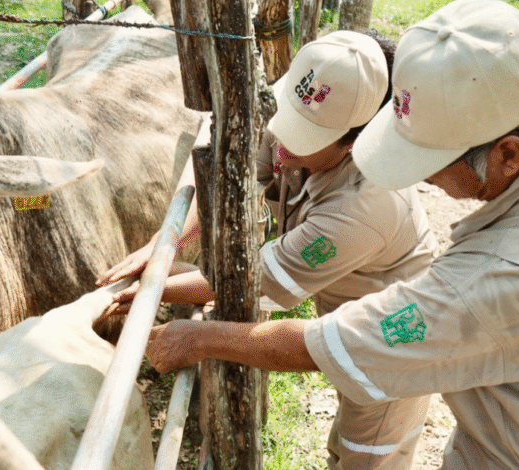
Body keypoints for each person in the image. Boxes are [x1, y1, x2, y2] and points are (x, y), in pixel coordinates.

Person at [139, 0, 519, 468]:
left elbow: (338, 344)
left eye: (431, 161)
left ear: (508, 155)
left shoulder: (496, 278)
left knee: (366, 449)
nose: (423, 179)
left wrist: (197, 335)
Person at [98, 30, 437, 470]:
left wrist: (149, 291)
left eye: (306, 136)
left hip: (390, 337)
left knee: (367, 451)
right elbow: (236, 179)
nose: (282, 141)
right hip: (338, 296)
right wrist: (168, 242)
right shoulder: (289, 133)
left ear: (355, 141)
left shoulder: (364, 206)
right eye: (288, 117)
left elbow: (256, 284)